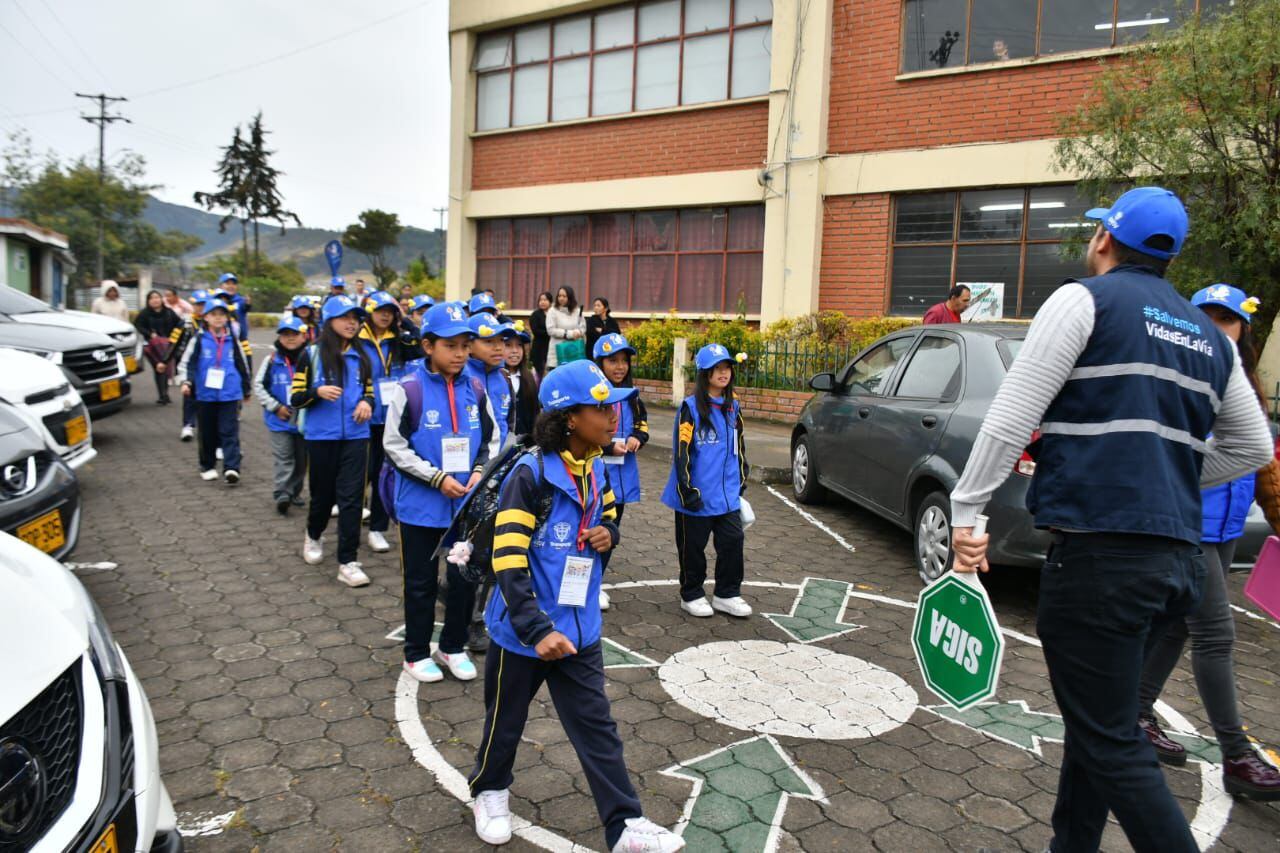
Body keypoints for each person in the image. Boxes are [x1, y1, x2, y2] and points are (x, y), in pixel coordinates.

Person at [949, 187, 1273, 852]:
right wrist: (1169, 472)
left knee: (1111, 738)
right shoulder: (1210, 336)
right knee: (1102, 718)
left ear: (1104, 239)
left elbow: (1012, 415)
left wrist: (965, 510)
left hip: (1101, 559)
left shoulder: (1082, 301)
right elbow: (1253, 447)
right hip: (1178, 563)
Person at [468, 359, 686, 853]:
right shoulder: (530, 475)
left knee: (597, 727)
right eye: (601, 407)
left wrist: (610, 533)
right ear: (569, 417)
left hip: (579, 626)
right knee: (506, 722)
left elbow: (608, 515)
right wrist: (535, 629)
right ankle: (489, 790)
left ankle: (625, 824)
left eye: (614, 406)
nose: (614, 416)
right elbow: (507, 557)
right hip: (525, 632)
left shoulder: (592, 466)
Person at [1135, 284, 1280, 800]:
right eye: (1208, 318)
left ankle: (1135, 714)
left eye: (1228, 319)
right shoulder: (1179, 382)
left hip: (1227, 531)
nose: (1219, 328)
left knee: (1175, 626)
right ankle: (1238, 754)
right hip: (1186, 527)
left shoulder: (1247, 388)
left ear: (1244, 328)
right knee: (1216, 635)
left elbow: (1262, 466)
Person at [383, 300, 499, 683]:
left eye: (465, 345)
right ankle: (415, 653)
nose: (460, 353)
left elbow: (491, 438)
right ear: (428, 345)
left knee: (464, 578)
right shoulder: (410, 388)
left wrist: (480, 471)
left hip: (465, 507)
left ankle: (453, 647)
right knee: (421, 582)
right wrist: (436, 479)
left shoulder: (477, 387)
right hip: (420, 506)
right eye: (451, 345)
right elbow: (394, 445)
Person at [291, 295, 376, 588]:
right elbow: (295, 398)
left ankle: (348, 561)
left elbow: (370, 392)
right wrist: (317, 392)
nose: (352, 323)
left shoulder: (362, 356)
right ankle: (313, 534)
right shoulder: (310, 355)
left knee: (352, 499)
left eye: (356, 318)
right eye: (345, 317)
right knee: (323, 497)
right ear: (329, 321)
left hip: (356, 436)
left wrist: (366, 403)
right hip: (320, 437)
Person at [661, 344, 751, 619]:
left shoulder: (732, 406)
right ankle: (691, 594)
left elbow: (740, 446)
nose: (723, 373)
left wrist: (741, 479)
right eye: (717, 368)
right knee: (692, 550)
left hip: (726, 497)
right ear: (704, 373)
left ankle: (727, 593)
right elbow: (682, 451)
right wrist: (687, 489)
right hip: (695, 496)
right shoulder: (690, 408)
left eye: (727, 368)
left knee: (733, 543)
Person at [358, 291, 418, 553]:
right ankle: (357, 508)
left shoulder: (401, 341)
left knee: (385, 471)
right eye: (379, 310)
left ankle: (377, 528)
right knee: (363, 471)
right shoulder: (357, 341)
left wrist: (406, 321)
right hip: (363, 416)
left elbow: (420, 345)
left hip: (392, 417)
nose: (385, 315)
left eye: (389, 311)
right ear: (369, 311)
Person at [593, 332, 648, 611]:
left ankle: (596, 582)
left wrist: (638, 437)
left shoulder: (632, 396)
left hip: (623, 479)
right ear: (599, 363)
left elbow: (643, 424)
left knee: (610, 532)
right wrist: (607, 447)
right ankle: (587, 584)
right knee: (592, 531)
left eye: (624, 360)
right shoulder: (590, 396)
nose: (619, 367)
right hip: (595, 478)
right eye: (612, 360)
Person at [178, 296, 252, 485]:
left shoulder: (232, 340)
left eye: (222, 315)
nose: (218, 318)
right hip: (205, 393)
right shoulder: (199, 339)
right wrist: (187, 381)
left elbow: (242, 364)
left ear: (227, 318)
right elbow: (189, 362)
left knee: (230, 431)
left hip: (230, 392)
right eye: (214, 315)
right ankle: (207, 466)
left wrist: (246, 388)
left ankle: (232, 468)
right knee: (207, 432)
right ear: (206, 318)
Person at [255, 316, 309, 516]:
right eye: (285, 334)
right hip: (279, 419)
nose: (290, 338)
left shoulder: (310, 358)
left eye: (294, 334)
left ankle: (294, 492)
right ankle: (282, 494)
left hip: (303, 420)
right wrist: (275, 406)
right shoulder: (271, 360)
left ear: (303, 336)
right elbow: (259, 386)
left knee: (301, 461)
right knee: (284, 457)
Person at [465, 315, 516, 450]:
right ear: (468, 346)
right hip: (472, 463)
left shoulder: (504, 377)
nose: (498, 347)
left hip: (499, 461)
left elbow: (509, 422)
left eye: (501, 340)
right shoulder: (461, 377)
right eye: (488, 341)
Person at [167, 289, 209, 442]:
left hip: (209, 366)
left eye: (203, 304)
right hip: (190, 364)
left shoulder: (214, 322)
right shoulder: (186, 321)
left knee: (207, 397)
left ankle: (206, 426)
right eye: (198, 304)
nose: (201, 308)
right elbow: (173, 341)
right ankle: (188, 425)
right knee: (189, 394)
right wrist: (164, 361)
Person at [135, 290, 182, 405]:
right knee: (158, 368)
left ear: (161, 299)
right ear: (148, 301)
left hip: (167, 346)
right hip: (152, 347)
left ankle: (164, 394)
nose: (155, 300)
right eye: (152, 298)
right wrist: (149, 334)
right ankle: (163, 394)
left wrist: (173, 336)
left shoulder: (169, 312)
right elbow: (138, 325)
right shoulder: (145, 313)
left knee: (165, 368)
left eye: (157, 297)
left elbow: (179, 324)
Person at [504, 320, 540, 438]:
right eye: (508, 345)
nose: (515, 350)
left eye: (519, 345)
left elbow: (535, 414)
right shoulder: (495, 379)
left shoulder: (529, 377)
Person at [544, 286, 586, 371]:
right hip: (557, 353)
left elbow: (583, 326)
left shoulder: (577, 311)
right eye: (559, 296)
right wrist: (569, 334)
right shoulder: (552, 311)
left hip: (574, 351)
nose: (561, 298)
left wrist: (578, 332)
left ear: (570, 297)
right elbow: (550, 330)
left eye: (564, 296)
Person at [219, 273, 251, 341]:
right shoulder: (216, 301)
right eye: (228, 283)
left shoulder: (240, 300)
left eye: (233, 284)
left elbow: (246, 308)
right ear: (221, 286)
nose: (231, 286)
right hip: (221, 339)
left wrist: (247, 304)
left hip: (240, 340)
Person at [530, 290, 553, 376]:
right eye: (541, 300)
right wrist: (551, 332)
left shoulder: (553, 314)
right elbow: (536, 331)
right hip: (539, 347)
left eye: (545, 300)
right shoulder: (535, 315)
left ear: (550, 302)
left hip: (551, 346)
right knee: (538, 372)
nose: (542, 302)